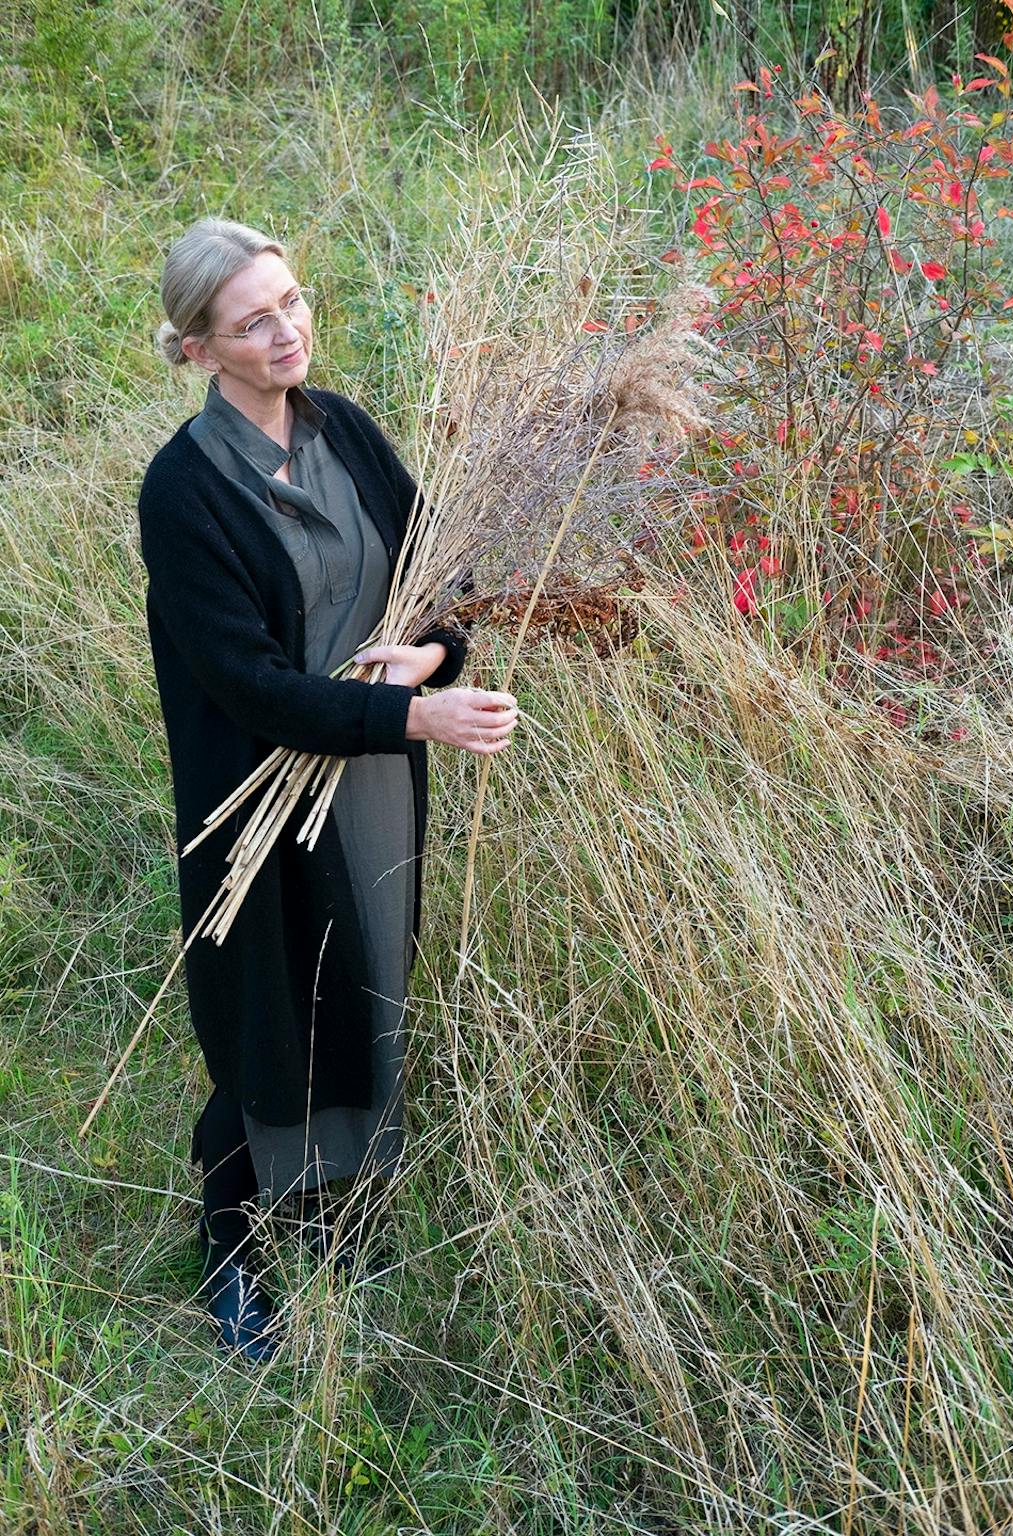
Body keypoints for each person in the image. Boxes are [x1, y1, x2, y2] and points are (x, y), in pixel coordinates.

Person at [138, 216, 518, 1362]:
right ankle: (230, 1245)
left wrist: (432, 656)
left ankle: (329, 1212)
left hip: (370, 782)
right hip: (256, 795)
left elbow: (439, 579)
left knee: (364, 989)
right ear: (199, 349)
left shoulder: (343, 429)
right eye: (252, 322)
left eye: (291, 302)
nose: (285, 332)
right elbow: (247, 684)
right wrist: (417, 715)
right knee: (266, 1021)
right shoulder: (184, 489)